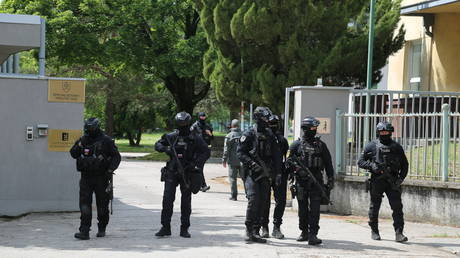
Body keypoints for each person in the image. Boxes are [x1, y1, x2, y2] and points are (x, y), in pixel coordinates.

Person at [154, 112, 210, 238]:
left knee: (186, 201)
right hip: (172, 172)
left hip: (187, 172)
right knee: (167, 200)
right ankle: (165, 227)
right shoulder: (171, 136)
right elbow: (157, 144)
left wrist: (195, 164)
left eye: (184, 124)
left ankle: (184, 228)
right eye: (180, 124)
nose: (182, 126)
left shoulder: (195, 137)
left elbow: (205, 152)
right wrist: (166, 149)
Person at [70, 117, 121, 240]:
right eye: (87, 128)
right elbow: (73, 154)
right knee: (84, 205)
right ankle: (84, 231)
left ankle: (102, 227)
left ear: (97, 127)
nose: (89, 130)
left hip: (101, 178)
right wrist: (79, 145)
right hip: (86, 177)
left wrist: (110, 170)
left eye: (91, 128)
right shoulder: (83, 139)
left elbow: (116, 157)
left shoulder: (106, 140)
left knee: (102, 206)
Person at [357, 121, 409, 242]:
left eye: (386, 132)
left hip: (393, 181)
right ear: (378, 132)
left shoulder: (396, 147)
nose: (384, 134)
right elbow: (360, 162)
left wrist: (400, 179)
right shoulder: (371, 146)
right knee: (374, 207)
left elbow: (405, 165)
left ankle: (399, 233)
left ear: (390, 132)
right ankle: (374, 230)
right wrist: (372, 166)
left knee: (397, 207)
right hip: (377, 181)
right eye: (382, 132)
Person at [237, 106, 282, 243]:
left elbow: (277, 155)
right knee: (253, 200)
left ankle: (256, 232)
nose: (267, 121)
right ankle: (248, 229)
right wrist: (251, 164)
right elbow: (240, 153)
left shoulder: (270, 135)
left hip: (266, 174)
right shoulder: (249, 134)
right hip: (252, 173)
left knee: (263, 202)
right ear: (258, 119)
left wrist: (278, 173)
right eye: (264, 119)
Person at [286, 116, 334, 245]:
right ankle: (304, 232)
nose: (314, 130)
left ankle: (313, 234)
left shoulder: (321, 145)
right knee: (302, 209)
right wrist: (297, 169)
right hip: (301, 181)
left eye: (315, 128)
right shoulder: (296, 145)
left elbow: (328, 163)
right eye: (312, 128)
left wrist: (331, 179)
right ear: (305, 129)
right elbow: (288, 162)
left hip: (316, 181)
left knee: (315, 209)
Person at [258, 114, 289, 239]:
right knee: (264, 201)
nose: (273, 126)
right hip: (265, 172)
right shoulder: (262, 138)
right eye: (271, 123)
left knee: (280, 200)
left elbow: (284, 156)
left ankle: (276, 227)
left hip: (279, 172)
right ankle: (264, 226)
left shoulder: (282, 140)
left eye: (275, 124)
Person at [191, 111, 213, 192]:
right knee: (198, 168)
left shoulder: (208, 126)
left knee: (199, 167)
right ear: (198, 117)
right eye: (201, 117)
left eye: (204, 117)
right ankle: (201, 185)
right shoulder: (194, 126)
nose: (203, 118)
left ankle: (201, 185)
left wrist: (210, 134)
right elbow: (191, 138)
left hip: (205, 151)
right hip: (197, 150)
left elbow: (212, 138)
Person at [222, 119, 244, 201]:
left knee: (232, 178)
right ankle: (249, 194)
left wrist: (224, 160)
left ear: (231, 125)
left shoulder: (229, 136)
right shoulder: (243, 135)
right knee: (244, 178)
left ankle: (234, 196)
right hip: (242, 160)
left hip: (232, 161)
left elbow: (226, 150)